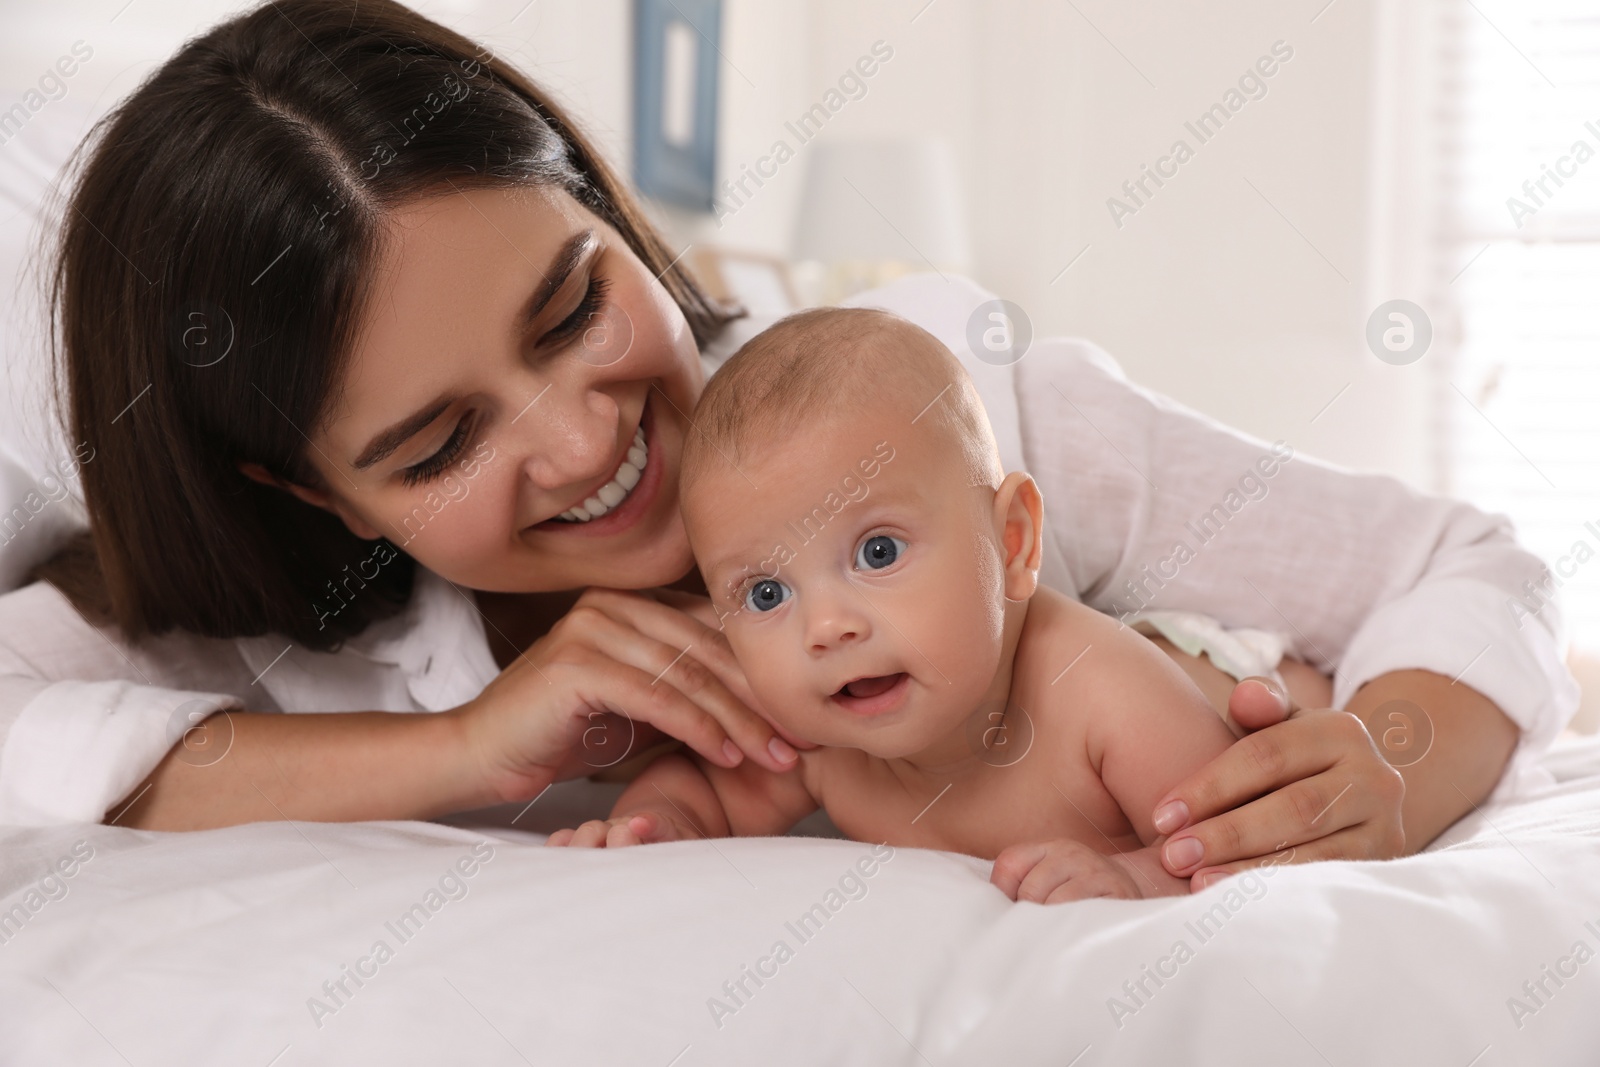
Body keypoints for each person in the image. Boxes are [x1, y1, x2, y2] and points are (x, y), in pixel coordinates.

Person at [0, 0, 1574, 897]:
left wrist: (1398, 764)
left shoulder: (941, 408)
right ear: (303, 488)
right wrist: (464, 748)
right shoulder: (281, 640)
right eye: (438, 442)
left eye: (572, 309)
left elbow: (1457, 561)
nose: (586, 441)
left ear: (615, 215)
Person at [548, 307, 1260, 903]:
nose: (825, 628)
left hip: (1211, 659)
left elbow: (1249, 841)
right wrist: (652, 827)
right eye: (766, 594)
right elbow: (705, 790)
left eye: (878, 553)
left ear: (1011, 541)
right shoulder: (820, 737)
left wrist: (1134, 880)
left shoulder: (1104, 693)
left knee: (1278, 694)